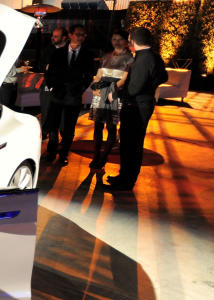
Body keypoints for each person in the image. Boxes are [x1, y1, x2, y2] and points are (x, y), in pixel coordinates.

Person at [105, 27, 167, 191]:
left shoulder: (142, 59)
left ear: (133, 41)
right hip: (143, 105)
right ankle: (125, 177)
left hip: (135, 107)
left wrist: (116, 95)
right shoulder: (154, 56)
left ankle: (126, 181)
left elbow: (133, 88)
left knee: (130, 144)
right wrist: (151, 86)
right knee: (132, 144)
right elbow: (163, 76)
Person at [43, 25, 93, 165]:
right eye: (78, 34)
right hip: (57, 94)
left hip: (74, 96)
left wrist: (81, 89)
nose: (80, 37)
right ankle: (51, 152)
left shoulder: (87, 55)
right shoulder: (58, 53)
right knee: (53, 125)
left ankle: (63, 154)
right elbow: (49, 72)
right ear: (70, 35)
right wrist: (52, 87)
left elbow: (89, 75)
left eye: (83, 35)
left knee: (69, 128)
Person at [88, 29, 133, 170]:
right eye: (114, 39)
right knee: (97, 126)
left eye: (120, 39)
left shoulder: (130, 59)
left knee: (111, 127)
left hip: (115, 95)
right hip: (101, 93)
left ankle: (104, 156)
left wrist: (111, 90)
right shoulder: (106, 56)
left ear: (126, 42)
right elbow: (99, 75)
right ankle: (96, 155)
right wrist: (94, 86)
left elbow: (124, 80)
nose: (116, 42)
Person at [39, 26, 69, 129]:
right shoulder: (48, 49)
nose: (53, 38)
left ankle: (63, 133)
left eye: (56, 36)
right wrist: (46, 67)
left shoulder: (71, 49)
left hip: (64, 86)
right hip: (48, 84)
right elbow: (40, 65)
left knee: (63, 111)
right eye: (53, 36)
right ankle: (45, 131)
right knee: (46, 108)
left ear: (64, 38)